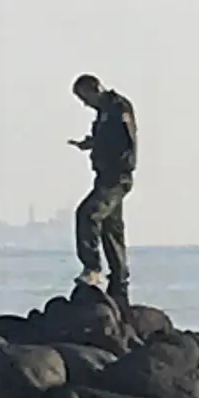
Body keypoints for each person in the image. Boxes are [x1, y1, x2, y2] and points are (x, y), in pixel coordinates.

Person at [68, 74, 138, 302]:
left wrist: (111, 157)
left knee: (88, 213)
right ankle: (119, 289)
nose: (84, 103)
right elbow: (107, 139)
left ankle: (93, 268)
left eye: (84, 97)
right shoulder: (103, 114)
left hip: (116, 178)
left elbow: (125, 140)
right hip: (105, 176)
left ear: (95, 88)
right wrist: (90, 144)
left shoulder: (118, 108)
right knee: (112, 231)